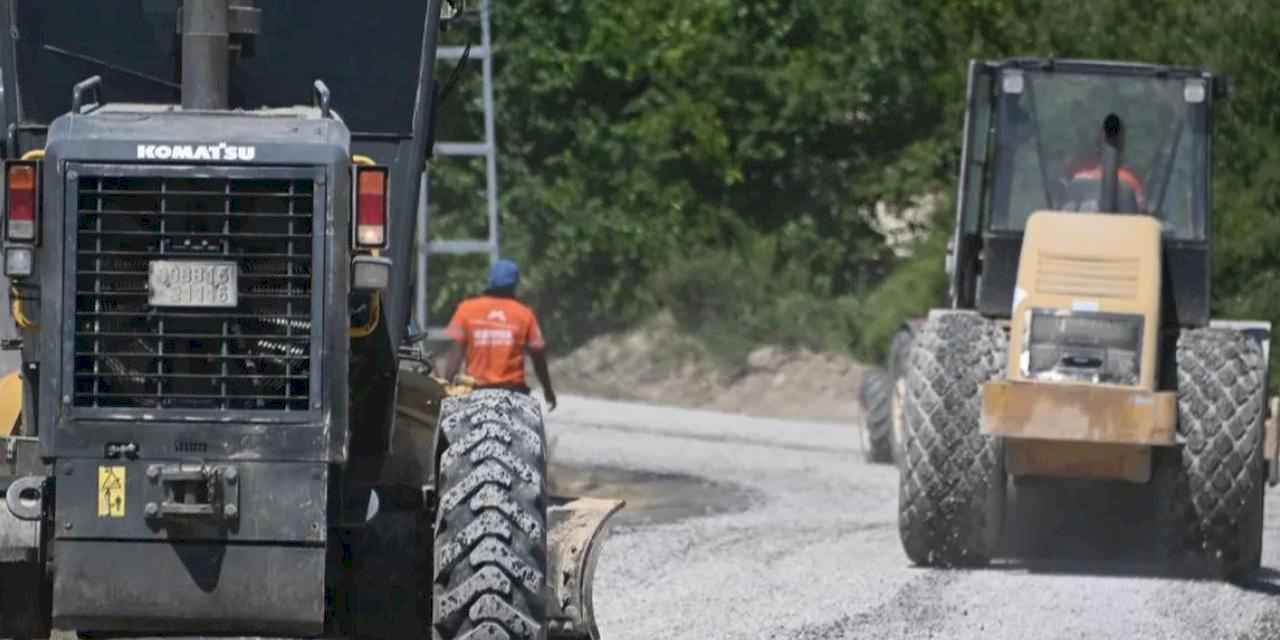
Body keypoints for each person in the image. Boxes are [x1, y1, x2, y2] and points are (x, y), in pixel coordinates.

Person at [444, 259, 557, 411]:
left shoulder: (465, 310)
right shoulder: (524, 314)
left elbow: (455, 357)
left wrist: (445, 389)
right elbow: (538, 356)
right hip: (513, 395)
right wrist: (547, 390)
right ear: (515, 283)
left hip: (476, 394)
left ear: (489, 280)